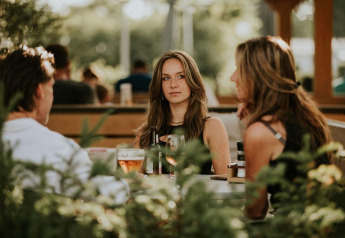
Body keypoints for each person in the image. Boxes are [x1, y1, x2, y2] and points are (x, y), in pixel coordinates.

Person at [0, 46, 128, 203]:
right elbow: (112, 195)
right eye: (51, 87)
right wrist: (129, 182)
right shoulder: (59, 150)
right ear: (39, 91)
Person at [230, 36, 332, 220]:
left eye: (239, 69)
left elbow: (255, 210)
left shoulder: (262, 132)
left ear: (257, 75)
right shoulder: (308, 116)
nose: (233, 77)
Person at [133, 50, 230, 175]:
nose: (173, 84)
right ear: (159, 85)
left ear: (192, 80)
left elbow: (224, 181)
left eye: (180, 76)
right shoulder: (145, 133)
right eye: (166, 78)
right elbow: (135, 182)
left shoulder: (212, 126)